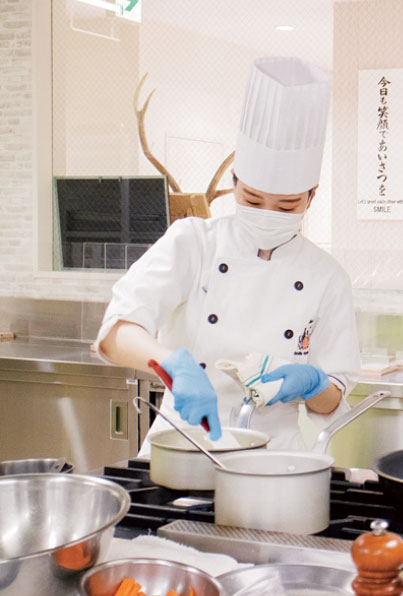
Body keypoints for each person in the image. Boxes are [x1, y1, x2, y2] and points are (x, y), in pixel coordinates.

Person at [97, 57, 360, 452]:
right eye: (252, 198)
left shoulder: (327, 275)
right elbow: (115, 334)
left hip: (276, 459)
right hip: (182, 446)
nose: (268, 215)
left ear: (312, 196)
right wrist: (171, 363)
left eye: (287, 206)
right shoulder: (193, 242)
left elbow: (333, 400)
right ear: (234, 181)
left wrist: (313, 383)